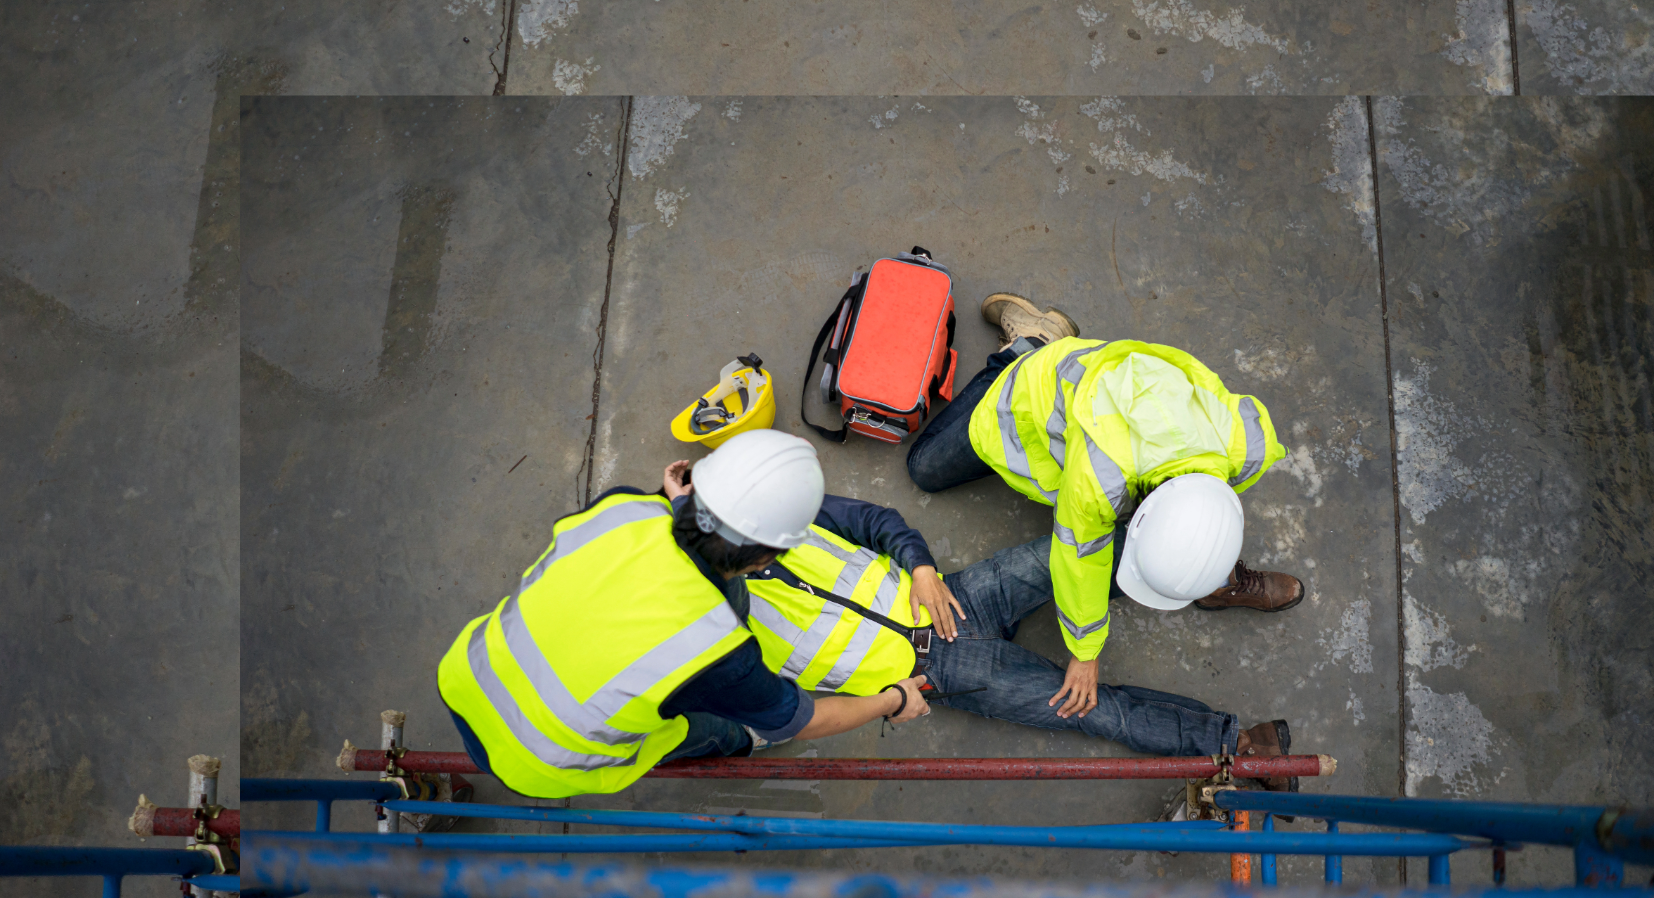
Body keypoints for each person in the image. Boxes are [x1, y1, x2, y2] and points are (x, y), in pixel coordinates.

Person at [436, 430, 931, 799]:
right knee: (709, 724)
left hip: (467, 672)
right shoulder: (719, 647)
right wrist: (893, 700)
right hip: (540, 759)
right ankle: (739, 739)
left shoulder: (623, 506)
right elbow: (804, 721)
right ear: (764, 560)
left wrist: (678, 507)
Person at [906, 293, 1305, 721]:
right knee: (925, 469)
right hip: (1030, 396)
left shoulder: (1248, 444)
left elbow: (1209, 512)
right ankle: (1030, 343)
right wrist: (1085, 652)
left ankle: (1217, 580)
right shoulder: (1098, 481)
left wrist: (1205, 554)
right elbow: (1079, 561)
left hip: (1107, 404)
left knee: (1178, 538)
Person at [740, 487, 1292, 768]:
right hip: (940, 674)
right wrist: (891, 699)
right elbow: (781, 718)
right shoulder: (712, 639)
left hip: (955, 596)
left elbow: (871, 522)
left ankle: (1205, 577)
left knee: (1080, 553)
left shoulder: (758, 511)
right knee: (1094, 709)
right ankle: (1238, 746)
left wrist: (923, 570)